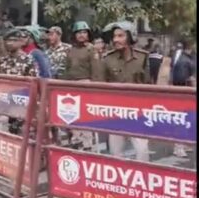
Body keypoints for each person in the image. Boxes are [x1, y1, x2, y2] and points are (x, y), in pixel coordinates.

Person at [99, 20, 151, 162]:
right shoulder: (107, 59)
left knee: (142, 151)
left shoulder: (142, 57)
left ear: (130, 36)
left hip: (138, 112)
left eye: (120, 36)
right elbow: (101, 86)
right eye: (115, 36)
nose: (116, 40)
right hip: (116, 112)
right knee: (115, 153)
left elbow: (149, 86)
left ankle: (141, 180)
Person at [63, 21, 100, 151]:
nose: (81, 35)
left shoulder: (91, 49)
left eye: (84, 32)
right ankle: (76, 139)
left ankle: (87, 142)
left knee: (85, 115)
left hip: (86, 83)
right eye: (79, 32)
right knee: (72, 113)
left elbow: (96, 70)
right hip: (71, 84)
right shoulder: (70, 50)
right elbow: (67, 69)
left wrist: (94, 87)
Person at [0, 29, 38, 134]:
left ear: (20, 42)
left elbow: (33, 84)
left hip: (22, 104)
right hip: (6, 103)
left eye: (13, 40)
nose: (9, 43)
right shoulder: (3, 60)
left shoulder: (28, 60)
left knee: (23, 135)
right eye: (7, 41)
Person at [170, 38, 196, 157]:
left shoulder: (189, 57)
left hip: (188, 94)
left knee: (188, 120)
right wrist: (191, 81)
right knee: (181, 120)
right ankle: (178, 147)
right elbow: (180, 78)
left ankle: (185, 144)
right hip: (183, 94)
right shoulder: (183, 59)